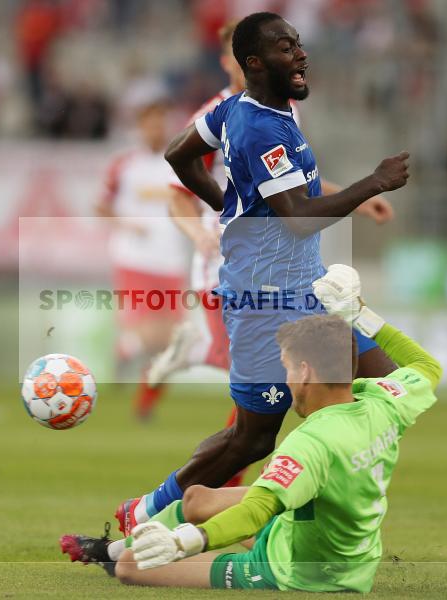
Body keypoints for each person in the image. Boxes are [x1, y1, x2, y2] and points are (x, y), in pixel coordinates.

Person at [114, 12, 410, 536]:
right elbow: (297, 217)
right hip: (263, 304)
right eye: (285, 48)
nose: (300, 54)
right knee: (250, 441)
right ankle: (147, 511)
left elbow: (179, 153)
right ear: (253, 62)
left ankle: (318, 496)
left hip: (305, 291)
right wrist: (374, 181)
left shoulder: (242, 109)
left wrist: (228, 205)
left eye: (297, 44)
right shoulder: (256, 127)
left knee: (388, 383)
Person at [61, 264, 441, 593]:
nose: (286, 380)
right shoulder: (385, 400)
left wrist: (183, 542)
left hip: (299, 570)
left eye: (288, 368)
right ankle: (110, 549)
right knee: (194, 499)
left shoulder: (312, 441)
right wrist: (360, 315)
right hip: (332, 541)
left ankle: (120, 555)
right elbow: (427, 368)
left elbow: (257, 511)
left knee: (132, 567)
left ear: (306, 371)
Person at [142, 19, 395, 415]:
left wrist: (358, 200)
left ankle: (201, 355)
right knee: (266, 386)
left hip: (283, 256)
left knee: (273, 387)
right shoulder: (221, 113)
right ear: (232, 63)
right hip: (235, 254)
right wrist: (205, 226)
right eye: (233, 58)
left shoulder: (285, 107)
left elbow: (291, 183)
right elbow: (179, 191)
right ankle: (201, 354)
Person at [96, 90, 190, 406]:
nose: (156, 129)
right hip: (134, 258)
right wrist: (127, 223)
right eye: (150, 124)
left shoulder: (179, 163)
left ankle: (143, 393)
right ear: (140, 127)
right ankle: (127, 353)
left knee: (169, 339)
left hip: (171, 260)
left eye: (161, 123)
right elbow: (101, 206)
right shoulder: (125, 165)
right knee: (148, 330)